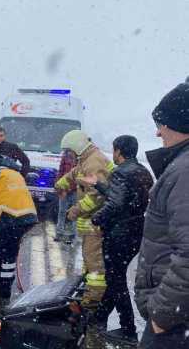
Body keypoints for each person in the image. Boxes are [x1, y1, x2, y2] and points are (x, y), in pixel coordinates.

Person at [78, 135, 153, 346]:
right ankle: (100, 317)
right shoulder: (142, 171)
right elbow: (125, 196)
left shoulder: (120, 172)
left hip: (119, 234)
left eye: (114, 149)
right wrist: (100, 185)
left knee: (116, 281)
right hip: (135, 231)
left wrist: (97, 218)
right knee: (116, 277)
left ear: (118, 151)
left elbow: (116, 203)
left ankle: (128, 329)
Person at [135, 81, 189, 348]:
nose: (158, 133)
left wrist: (164, 314)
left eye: (161, 124)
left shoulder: (184, 171)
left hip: (174, 321)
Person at [54, 130, 113, 310]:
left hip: (96, 222)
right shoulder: (86, 159)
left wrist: (75, 210)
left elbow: (96, 196)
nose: (69, 155)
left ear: (77, 147)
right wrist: (61, 183)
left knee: (94, 264)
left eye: (70, 151)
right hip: (92, 222)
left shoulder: (93, 162)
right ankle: (89, 291)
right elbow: (75, 174)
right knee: (89, 260)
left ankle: (92, 302)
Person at [0, 154, 37, 304]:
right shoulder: (15, 173)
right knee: (9, 252)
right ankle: (4, 289)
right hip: (27, 216)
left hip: (6, 214)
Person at [55, 148, 78, 244]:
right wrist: (59, 187)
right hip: (65, 188)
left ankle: (72, 235)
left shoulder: (81, 159)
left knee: (74, 213)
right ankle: (59, 233)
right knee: (62, 211)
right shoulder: (65, 156)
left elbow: (79, 176)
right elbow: (61, 172)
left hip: (76, 189)